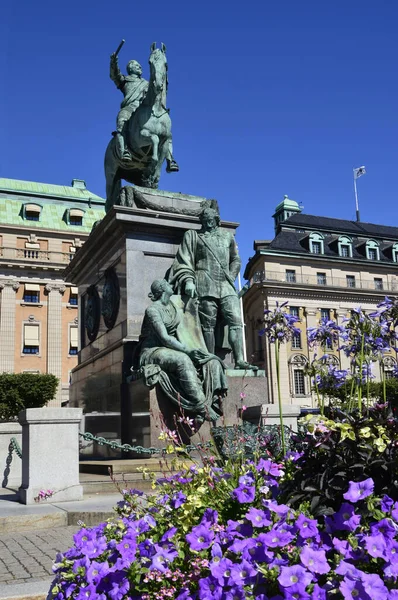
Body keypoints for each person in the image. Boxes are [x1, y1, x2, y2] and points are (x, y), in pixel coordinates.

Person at [170, 207, 258, 370]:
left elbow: (235, 260)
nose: (208, 225)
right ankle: (210, 360)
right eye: (204, 222)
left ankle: (239, 360)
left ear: (217, 221)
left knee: (236, 321)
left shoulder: (227, 236)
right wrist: (189, 280)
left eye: (210, 221)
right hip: (204, 283)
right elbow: (185, 260)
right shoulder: (194, 236)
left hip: (225, 284)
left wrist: (231, 276)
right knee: (207, 324)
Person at [136, 279, 227, 426]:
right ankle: (202, 408)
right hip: (152, 352)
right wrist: (188, 351)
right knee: (182, 360)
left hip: (173, 349)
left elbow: (188, 326)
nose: (169, 283)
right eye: (166, 282)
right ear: (162, 289)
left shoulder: (174, 307)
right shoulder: (152, 310)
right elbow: (165, 338)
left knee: (212, 361)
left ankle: (205, 407)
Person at [110, 54, 148, 160]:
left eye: (140, 66)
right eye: (137, 66)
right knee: (121, 120)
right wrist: (113, 63)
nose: (140, 67)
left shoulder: (147, 84)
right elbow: (115, 75)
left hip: (143, 109)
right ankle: (124, 150)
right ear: (130, 68)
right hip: (130, 108)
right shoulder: (125, 81)